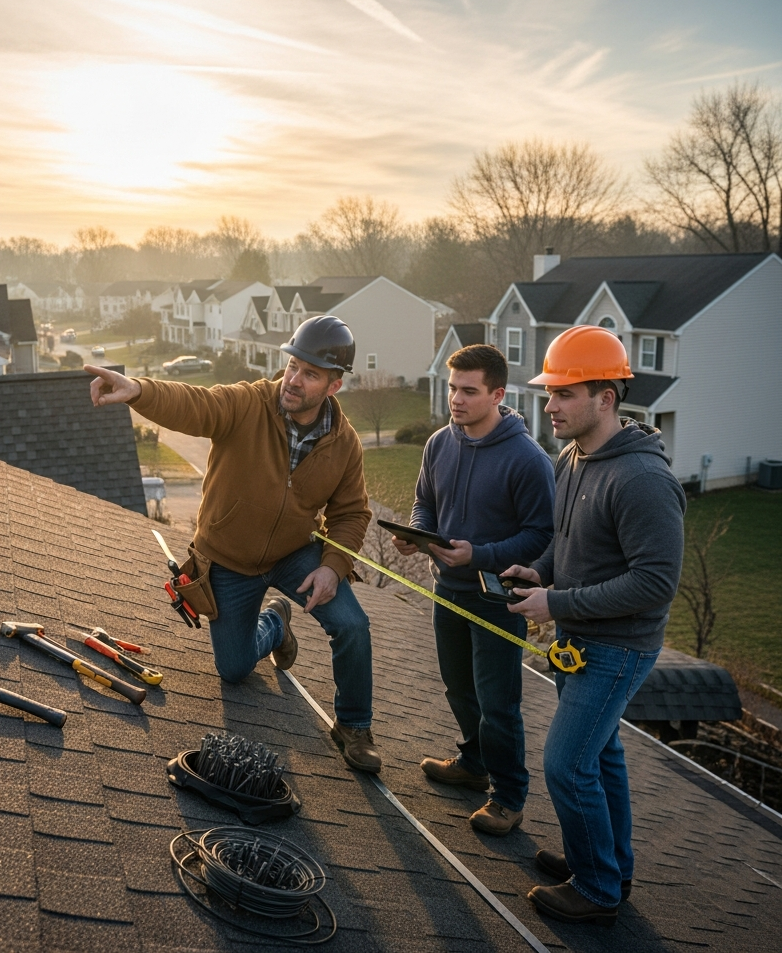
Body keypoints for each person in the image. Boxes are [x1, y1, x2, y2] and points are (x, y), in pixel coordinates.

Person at [87, 316, 380, 772]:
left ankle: (355, 726)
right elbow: (195, 404)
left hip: (293, 555)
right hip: (229, 560)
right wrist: (139, 391)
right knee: (234, 669)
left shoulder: (345, 445)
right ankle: (276, 624)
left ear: (334, 386)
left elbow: (351, 514)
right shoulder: (247, 404)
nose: (294, 380)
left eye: (310, 373)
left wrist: (333, 566)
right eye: (292, 365)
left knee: (353, 624)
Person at [503, 324, 686, 925]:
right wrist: (538, 573)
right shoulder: (573, 457)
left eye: (563, 394)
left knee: (566, 763)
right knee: (600, 756)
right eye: (549, 393)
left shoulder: (643, 480)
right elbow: (568, 542)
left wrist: (557, 603)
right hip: (579, 639)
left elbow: (655, 584)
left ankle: (599, 888)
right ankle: (609, 862)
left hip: (618, 648)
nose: (548, 405)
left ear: (605, 398)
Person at [392, 344, 554, 835]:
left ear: (498, 395)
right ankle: (473, 763)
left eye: (468, 391)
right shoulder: (440, 442)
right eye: (451, 388)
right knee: (458, 687)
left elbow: (541, 536)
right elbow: (425, 502)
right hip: (448, 590)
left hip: (497, 600)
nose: (456, 400)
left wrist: (478, 554)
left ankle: (508, 797)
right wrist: (417, 537)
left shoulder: (528, 460)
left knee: (497, 702)